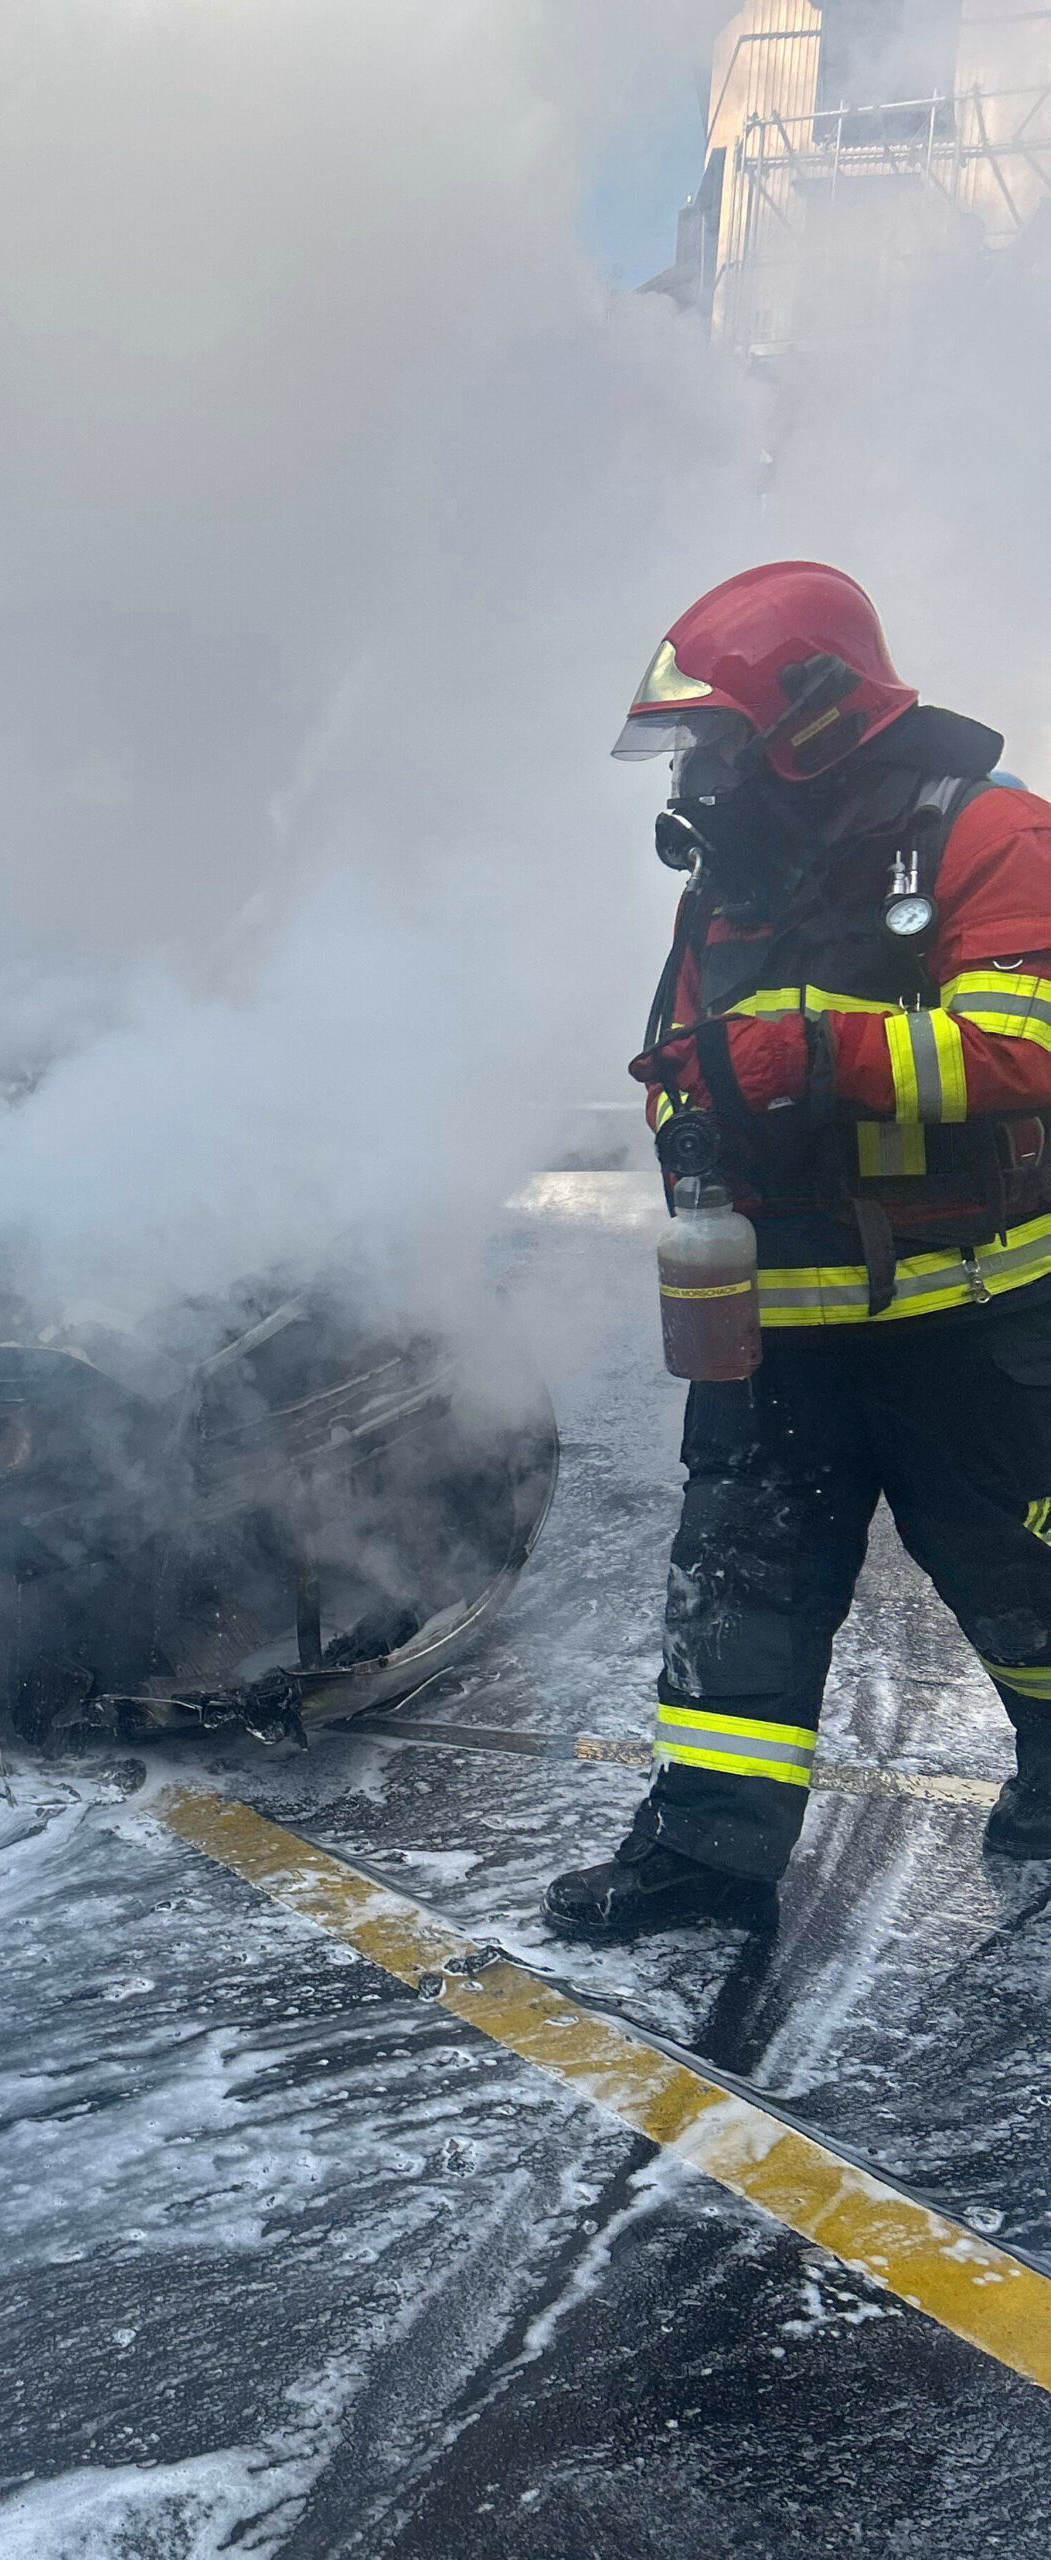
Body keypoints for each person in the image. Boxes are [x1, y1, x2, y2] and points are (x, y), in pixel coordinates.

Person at [546, 560, 1051, 1941]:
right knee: (736, 1598)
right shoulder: (727, 871)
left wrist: (801, 1055)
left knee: (1030, 1583)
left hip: (968, 1322)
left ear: (812, 711)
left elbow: (1024, 1042)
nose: (701, 764)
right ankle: (707, 1855)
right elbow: (683, 1054)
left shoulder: (986, 831)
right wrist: (688, 1098)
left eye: (718, 730)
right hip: (772, 1325)